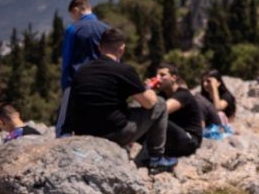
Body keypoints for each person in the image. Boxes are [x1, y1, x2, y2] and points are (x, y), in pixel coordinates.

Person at [64, 28, 177, 174]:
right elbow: (149, 103)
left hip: (83, 133)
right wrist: (147, 88)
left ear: (99, 47)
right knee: (160, 103)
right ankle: (156, 158)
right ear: (122, 48)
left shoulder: (81, 71)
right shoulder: (124, 70)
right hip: (112, 134)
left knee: (130, 105)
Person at [56, 0, 109, 137]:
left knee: (64, 126)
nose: (73, 19)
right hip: (101, 83)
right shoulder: (106, 28)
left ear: (76, 10)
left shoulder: (73, 29)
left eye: (72, 15)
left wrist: (65, 84)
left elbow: (67, 59)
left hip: (76, 82)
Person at [153, 64, 203, 158]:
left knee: (156, 120)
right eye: (156, 75)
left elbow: (161, 111)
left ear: (174, 77)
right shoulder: (162, 95)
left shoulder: (183, 94)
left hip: (190, 140)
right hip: (174, 138)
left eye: (162, 75)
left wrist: (149, 91)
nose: (157, 78)